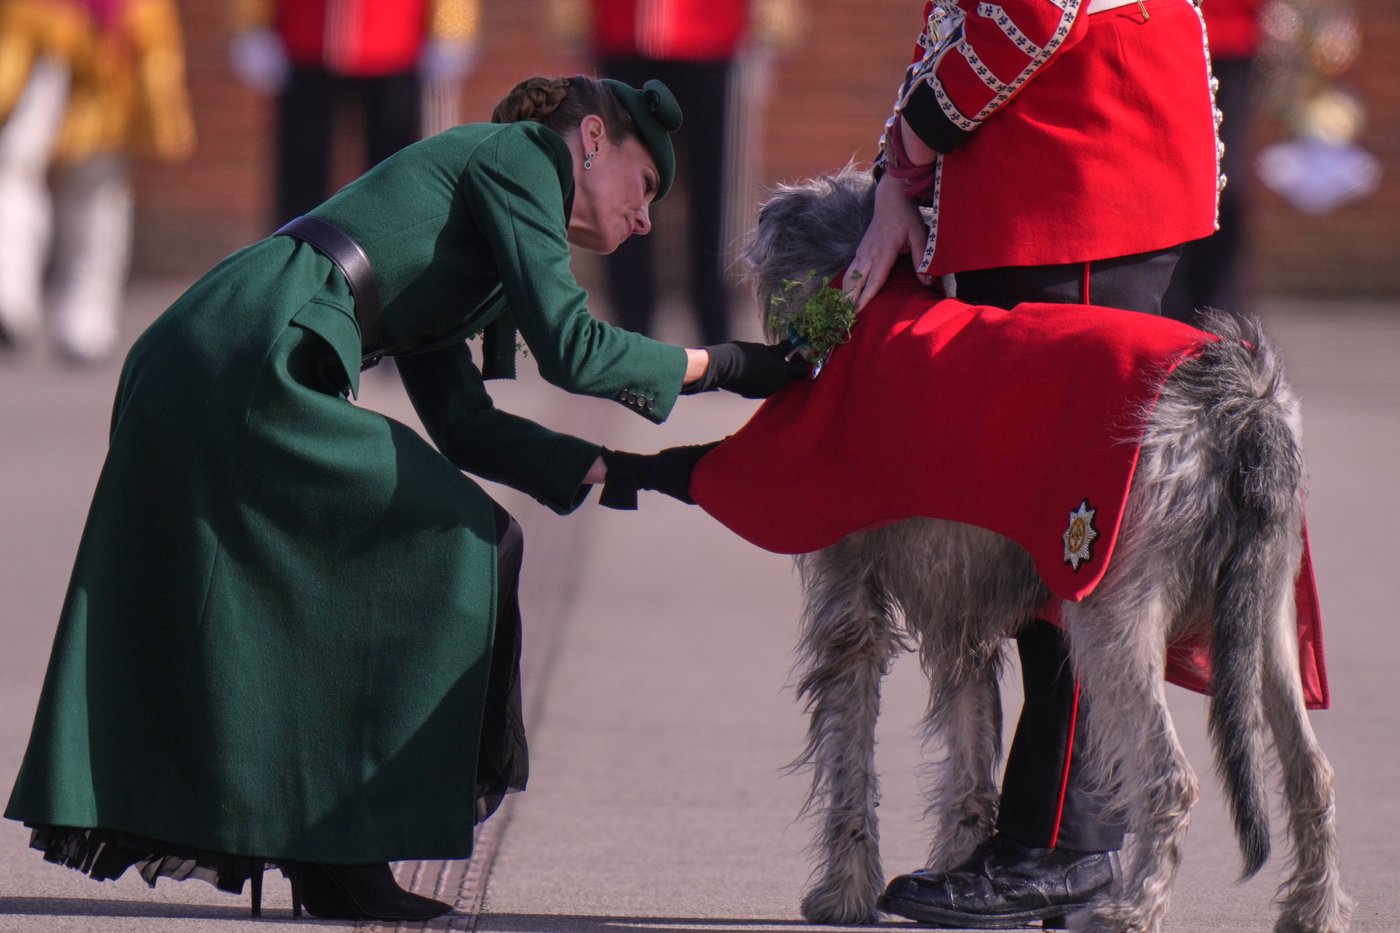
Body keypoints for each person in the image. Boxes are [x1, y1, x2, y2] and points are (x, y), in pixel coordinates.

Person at [3, 75, 806, 921]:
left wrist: (629, 470)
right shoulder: (523, 159)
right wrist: (727, 365)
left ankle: (332, 854)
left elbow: (464, 425)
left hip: (240, 345)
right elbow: (573, 349)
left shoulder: (495, 216)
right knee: (458, 543)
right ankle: (346, 850)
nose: (647, 219)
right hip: (249, 350)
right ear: (596, 139)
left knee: (415, 553)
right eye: (647, 187)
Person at [842, 0, 1221, 927]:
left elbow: (1031, 13)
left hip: (1081, 185)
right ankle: (1053, 833)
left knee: (1077, 540)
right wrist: (904, 165)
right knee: (1048, 530)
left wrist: (915, 149)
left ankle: (1063, 843)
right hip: (1061, 181)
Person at [573, 0, 794, 344]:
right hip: (621, 30)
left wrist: (771, 28)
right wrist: (571, 25)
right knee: (621, 185)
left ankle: (716, 331)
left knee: (715, 191)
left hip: (710, 33)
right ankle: (628, 335)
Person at [0, 0, 194, 363]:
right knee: (13, 170)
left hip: (106, 62)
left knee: (97, 194)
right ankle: (8, 294)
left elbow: (156, 50)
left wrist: (159, 116)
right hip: (41, 53)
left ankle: (85, 317)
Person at [229, 0, 481, 225]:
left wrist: (451, 27)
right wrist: (252, 24)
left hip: (394, 43)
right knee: (301, 175)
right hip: (306, 40)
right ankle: (296, 265)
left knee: (396, 175)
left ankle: (396, 263)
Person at [1163, 0, 1261, 323]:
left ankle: (1220, 312)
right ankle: (1170, 303)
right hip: (1161, 29)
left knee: (1225, 183)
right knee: (1167, 173)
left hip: (1230, 35)